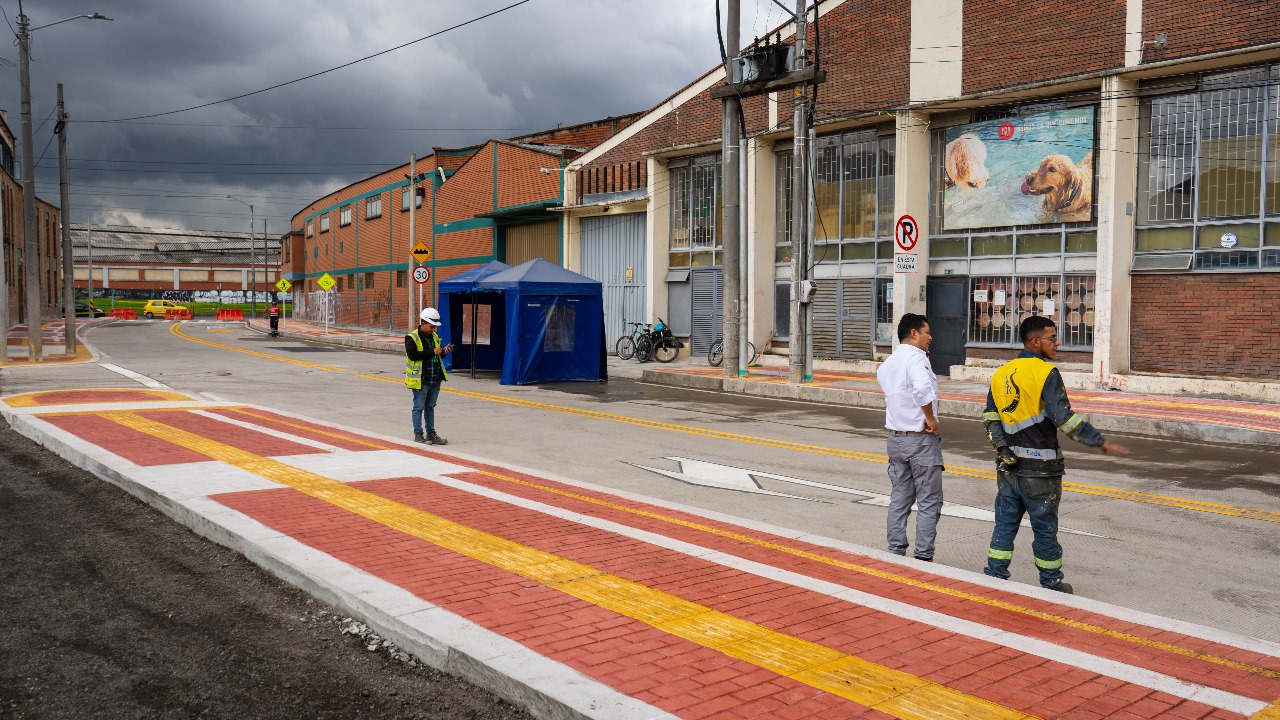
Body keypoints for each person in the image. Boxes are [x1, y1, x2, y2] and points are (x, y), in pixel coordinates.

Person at [982, 315, 1129, 594]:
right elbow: (1064, 418)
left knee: (1004, 524)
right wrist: (1098, 442)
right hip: (1041, 468)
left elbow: (990, 418)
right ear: (1034, 341)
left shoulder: (1001, 374)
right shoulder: (1046, 373)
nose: (1057, 343)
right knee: (1045, 528)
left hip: (1009, 467)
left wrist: (1002, 448)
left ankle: (995, 574)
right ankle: (1051, 582)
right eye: (1052, 338)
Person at [875, 313, 943, 562]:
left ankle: (895, 550)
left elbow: (888, 386)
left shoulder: (889, 363)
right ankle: (923, 555)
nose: (930, 337)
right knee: (929, 500)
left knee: (900, 498)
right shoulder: (916, 358)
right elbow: (923, 390)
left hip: (896, 439)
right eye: (926, 332)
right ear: (914, 333)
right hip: (919, 440)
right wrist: (931, 419)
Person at [406, 307, 453, 445]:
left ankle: (431, 434)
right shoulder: (411, 337)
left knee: (430, 407)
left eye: (435, 327)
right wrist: (432, 351)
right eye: (432, 327)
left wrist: (444, 352)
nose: (434, 330)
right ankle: (418, 434)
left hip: (435, 378)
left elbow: (436, 355)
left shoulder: (434, 337)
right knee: (418, 407)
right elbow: (413, 355)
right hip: (421, 379)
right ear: (423, 323)